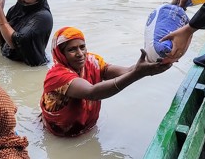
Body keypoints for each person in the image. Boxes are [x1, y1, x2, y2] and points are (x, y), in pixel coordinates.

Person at [40, 26, 171, 137]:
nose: (80, 54)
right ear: (60, 54)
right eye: (72, 49)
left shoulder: (92, 61)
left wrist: (152, 64)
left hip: (85, 130)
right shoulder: (56, 76)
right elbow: (92, 93)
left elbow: (126, 71)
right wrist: (138, 73)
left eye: (82, 47)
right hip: (59, 136)